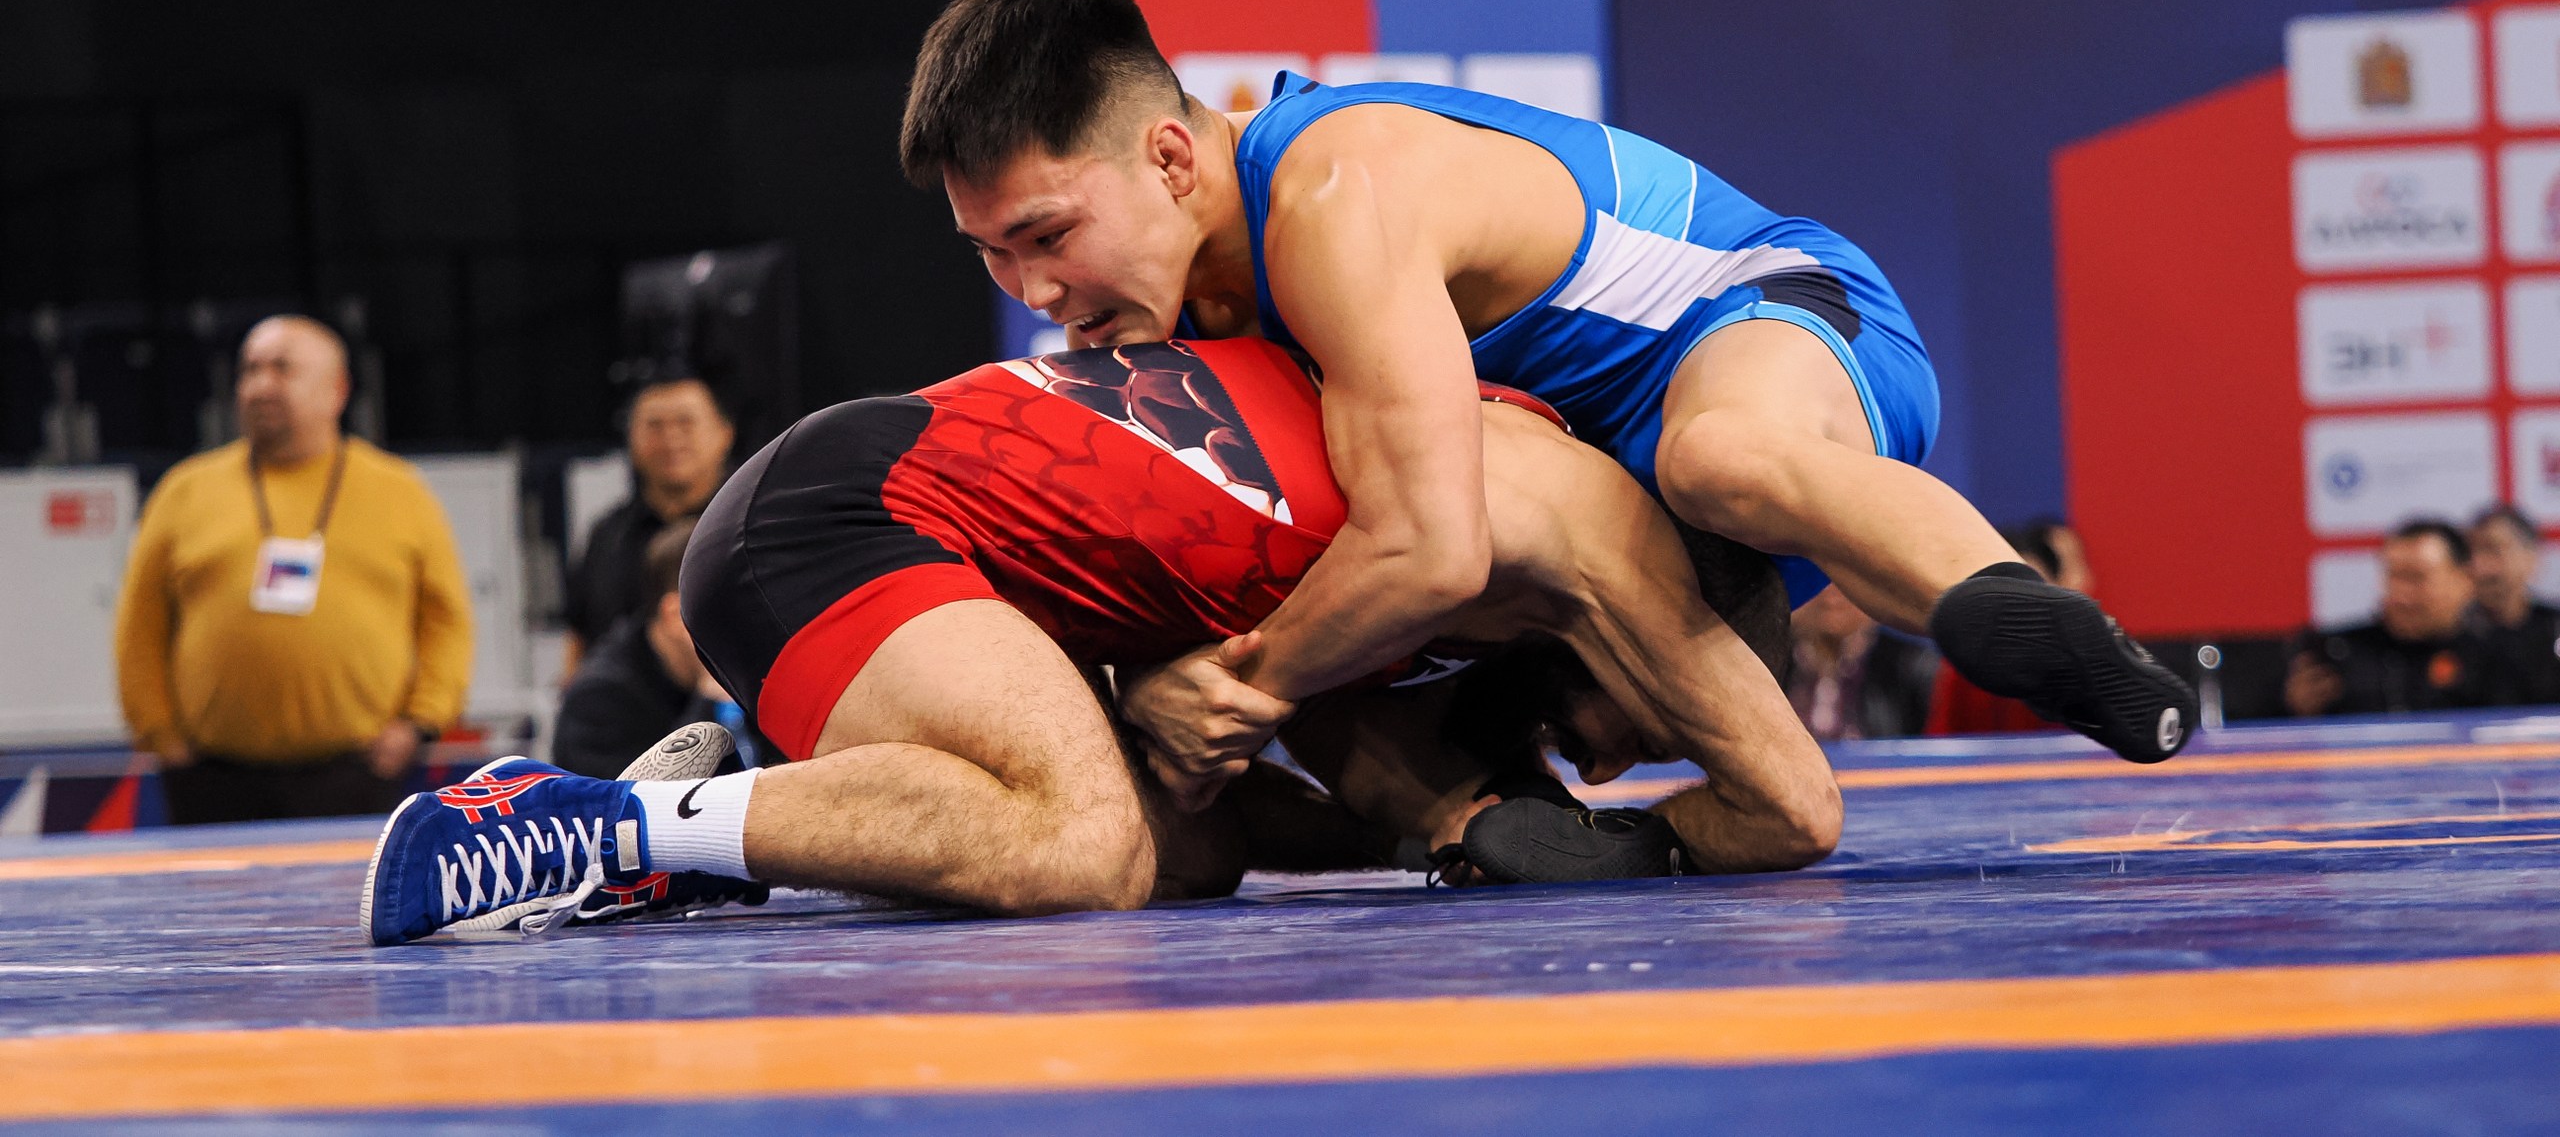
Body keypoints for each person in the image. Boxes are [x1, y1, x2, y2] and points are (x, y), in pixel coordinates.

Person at [894, 0, 2196, 791]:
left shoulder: (1333, 195)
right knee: (1512, 671)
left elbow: (1429, 547)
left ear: (1172, 160)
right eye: (992, 253)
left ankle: (2028, 621)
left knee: (1719, 455)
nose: (1033, 293)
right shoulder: (1153, 306)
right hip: (1618, 488)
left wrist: (1236, 690)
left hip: (1777, 319)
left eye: (1048, 236)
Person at [363, 338, 1839, 943]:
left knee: (1182, 849)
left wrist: (1476, 827)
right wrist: (1620, 836)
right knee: (1086, 839)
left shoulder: (1426, 600)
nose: (1602, 767)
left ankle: (706, 827)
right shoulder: (1515, 512)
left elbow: (1366, 803)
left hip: (951, 567)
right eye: (1638, 731)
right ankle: (574, 821)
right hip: (845, 508)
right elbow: (1790, 810)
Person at [114, 315, 473, 824]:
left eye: (282, 369)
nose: (261, 386)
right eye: (250, 369)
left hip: (357, 773)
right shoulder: (185, 491)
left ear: (337, 390)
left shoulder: (400, 492)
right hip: (210, 778)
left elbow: (446, 621)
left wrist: (419, 724)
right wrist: (160, 734)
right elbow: (140, 625)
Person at [563, 376, 734, 667]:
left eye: (686, 423)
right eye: (655, 426)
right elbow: (578, 637)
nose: (671, 439)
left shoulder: (751, 526)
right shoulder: (607, 536)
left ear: (724, 433)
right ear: (631, 438)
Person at [551, 520, 729, 778]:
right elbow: (634, 798)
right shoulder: (598, 702)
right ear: (676, 616)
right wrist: (707, 704)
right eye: (731, 610)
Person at [2284, 519, 2495, 717]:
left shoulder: (2494, 657)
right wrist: (2294, 711)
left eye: (2416, 578)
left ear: (2465, 580)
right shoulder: (2336, 655)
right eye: (2393, 577)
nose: (2401, 596)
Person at [1922, 518, 2090, 736]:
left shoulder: (2079, 667)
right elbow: (1942, 740)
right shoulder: (1963, 666)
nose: (2021, 608)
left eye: (2032, 593)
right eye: (2009, 596)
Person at [1784, 586, 1935, 741]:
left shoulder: (1909, 664)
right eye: (1821, 579)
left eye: (1842, 581)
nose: (1831, 592)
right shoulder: (1775, 659)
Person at [2465, 505, 2560, 705]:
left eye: (2493, 550)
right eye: (2469, 553)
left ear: (2531, 558)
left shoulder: (2554, 629)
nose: (2478, 566)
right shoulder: (2451, 636)